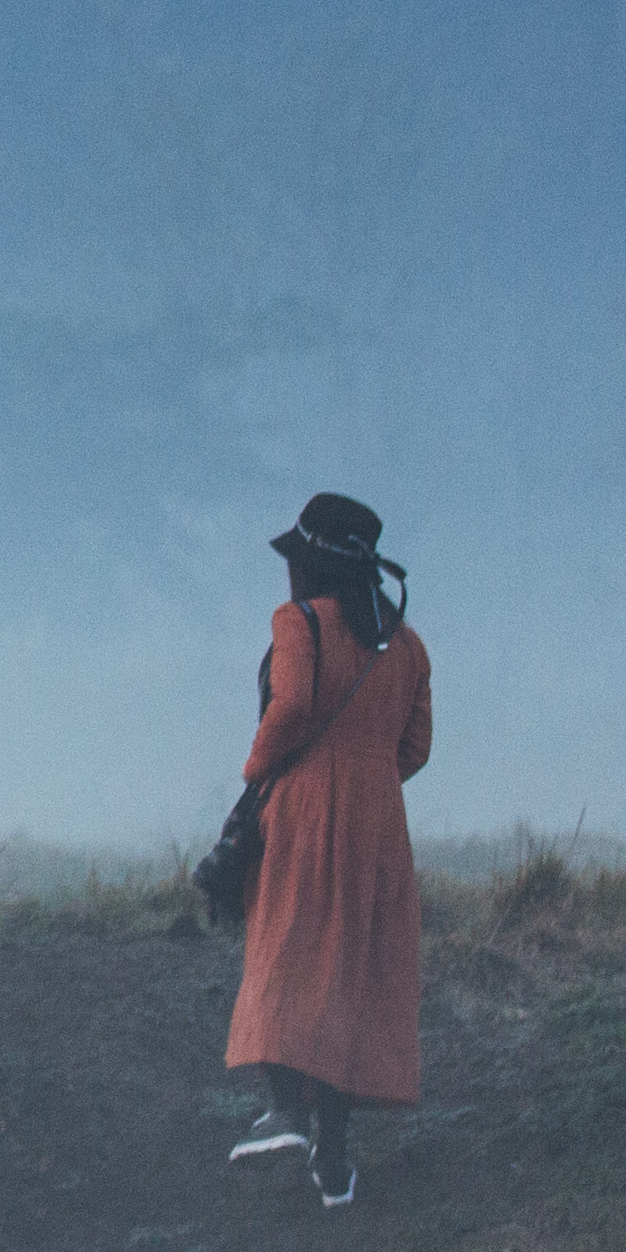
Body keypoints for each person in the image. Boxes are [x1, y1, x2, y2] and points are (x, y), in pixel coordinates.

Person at [223, 491, 431, 1206]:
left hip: (305, 806)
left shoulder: (298, 625)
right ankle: (333, 1158)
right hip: (381, 822)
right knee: (351, 967)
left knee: (287, 948)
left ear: (309, 569)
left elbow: (290, 711)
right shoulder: (406, 646)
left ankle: (286, 1111)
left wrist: (257, 773)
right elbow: (416, 748)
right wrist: (367, 776)